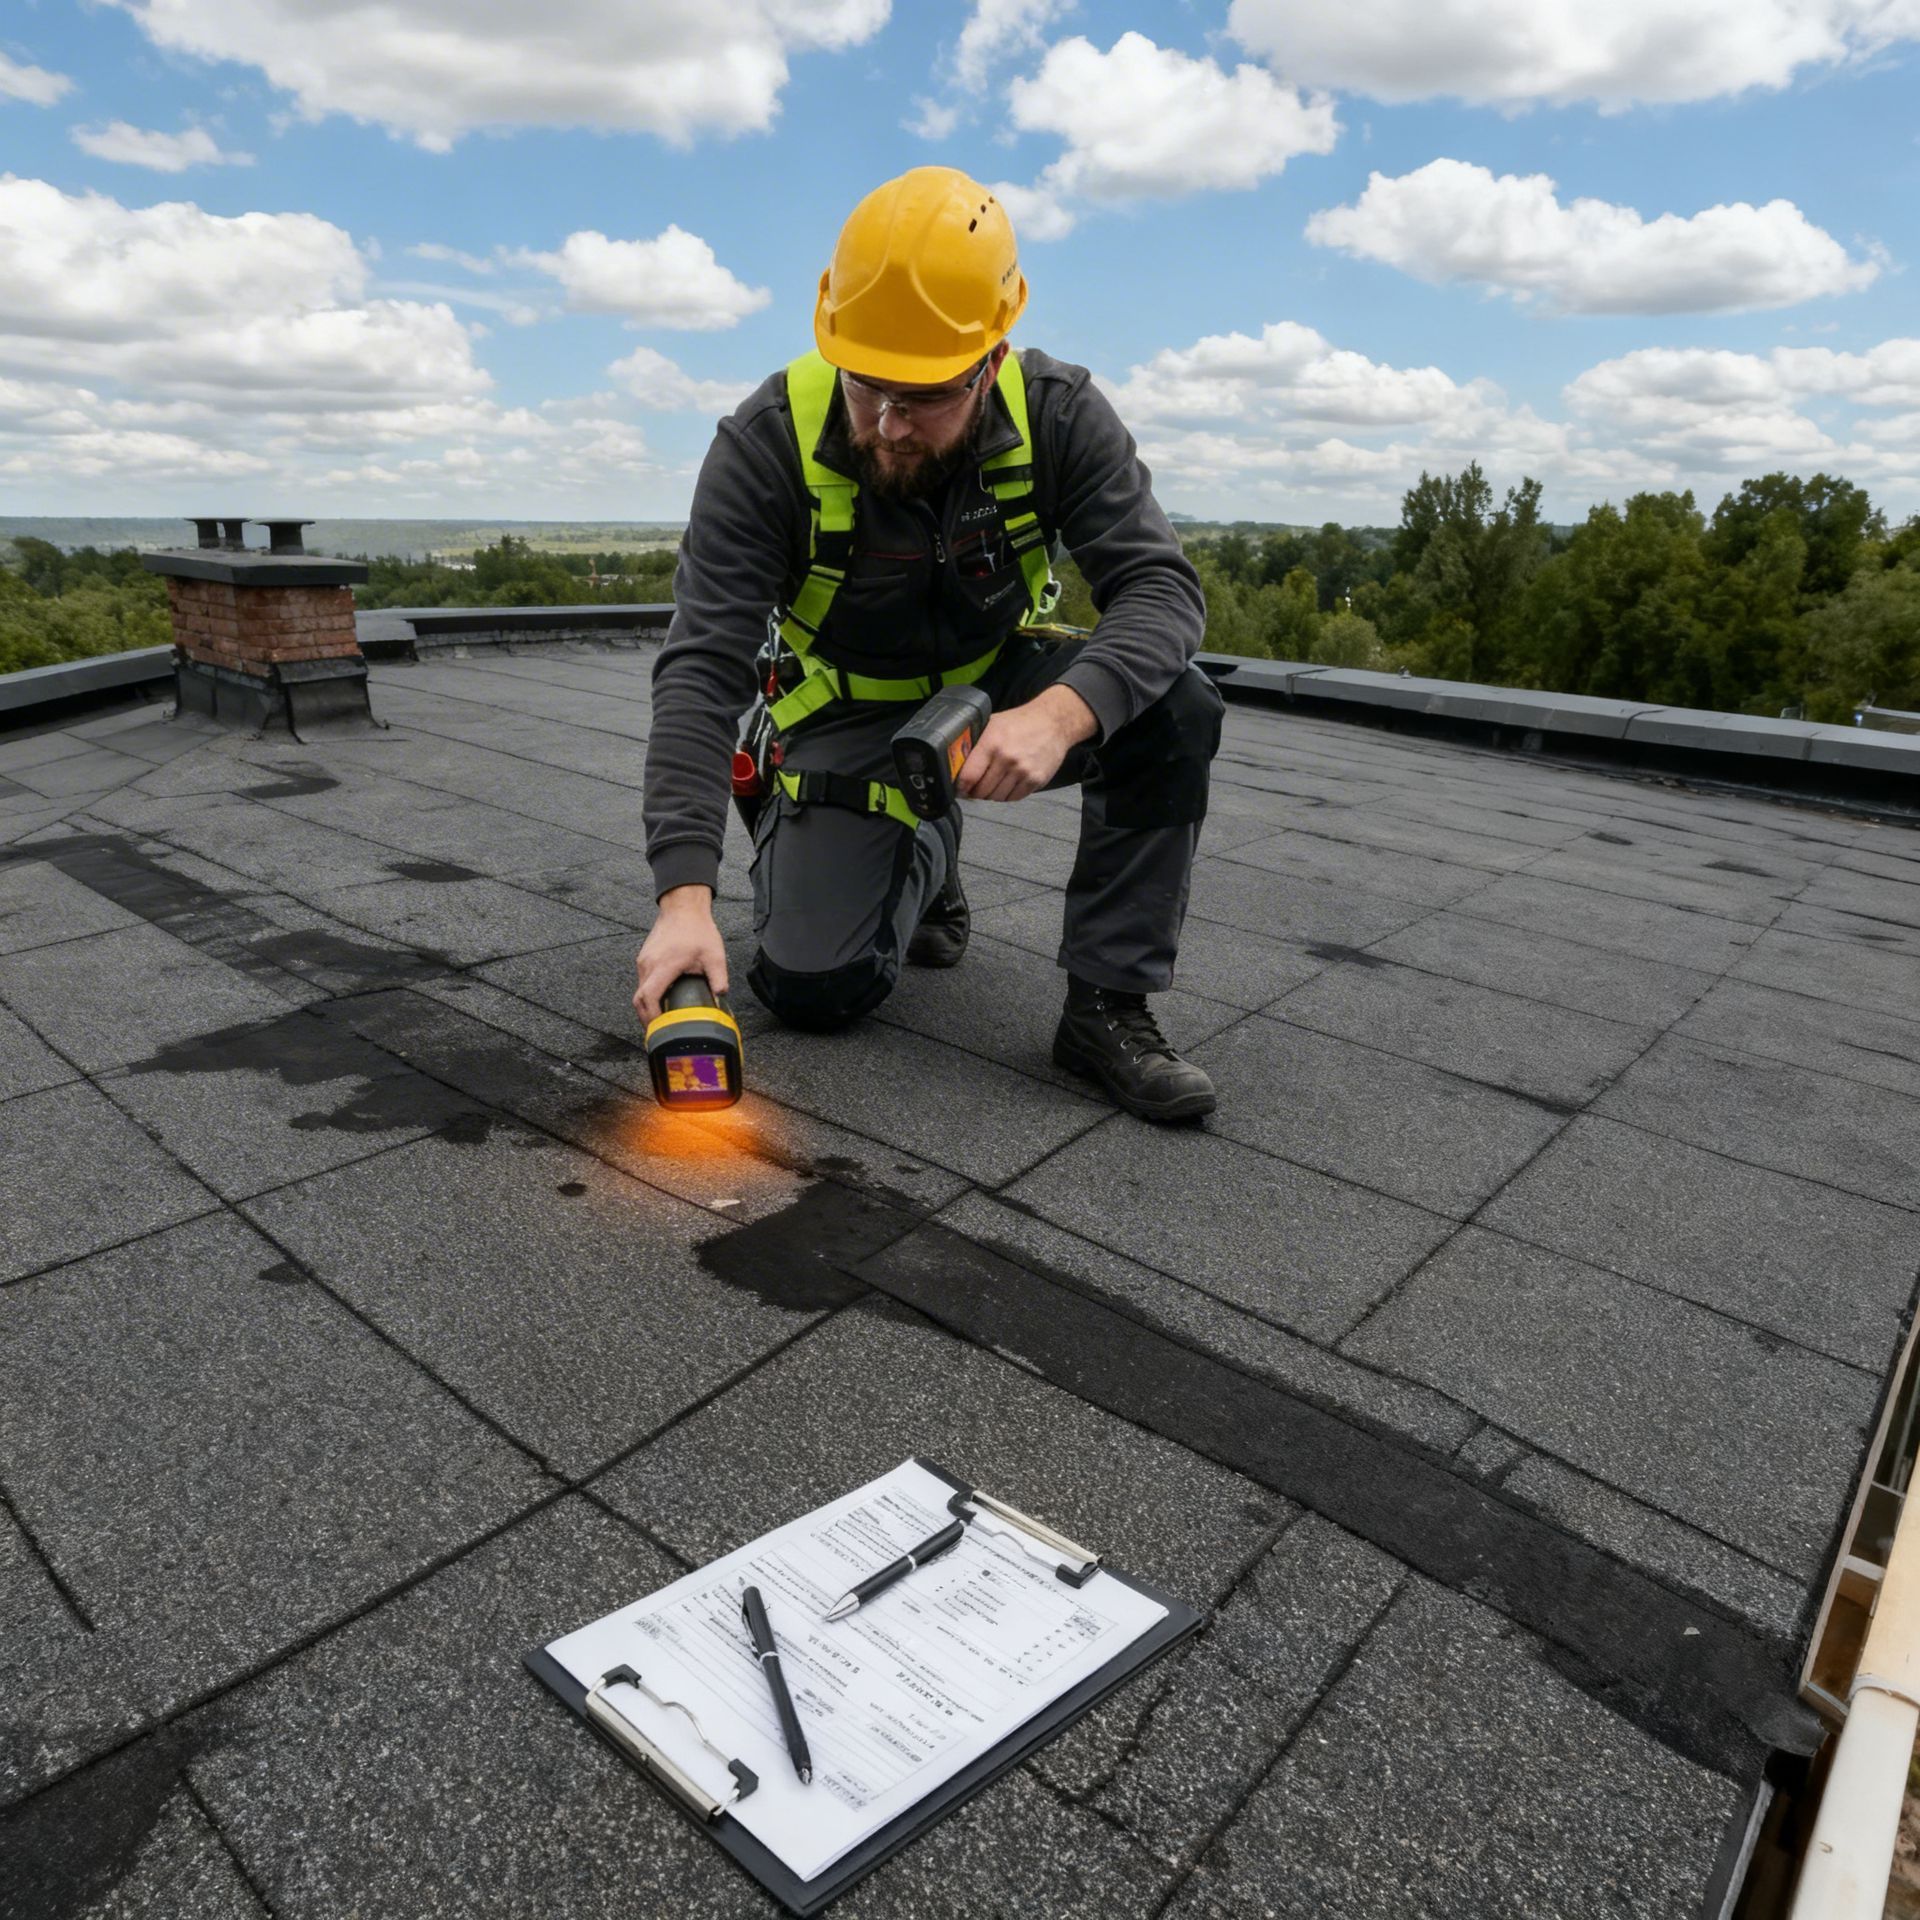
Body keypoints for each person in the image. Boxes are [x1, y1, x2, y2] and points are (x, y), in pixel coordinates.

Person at [633, 166, 1224, 1122]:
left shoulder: (1062, 414)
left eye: (925, 397)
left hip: (999, 688)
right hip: (848, 700)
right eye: (868, 389)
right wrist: (684, 900)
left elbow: (1161, 590)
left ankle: (1106, 1006)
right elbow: (699, 668)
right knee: (814, 991)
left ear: (990, 363)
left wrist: (1060, 714)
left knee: (1174, 704)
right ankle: (917, 843)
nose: (890, 425)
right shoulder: (766, 443)